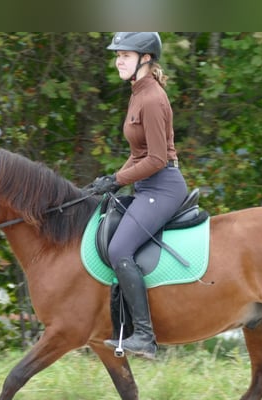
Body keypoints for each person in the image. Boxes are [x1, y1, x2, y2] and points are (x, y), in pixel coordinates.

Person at [90, 32, 189, 360]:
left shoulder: (151, 98)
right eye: (117, 55)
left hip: (163, 187)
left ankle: (144, 336)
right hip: (147, 186)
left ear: (145, 59)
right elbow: (139, 153)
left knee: (120, 247)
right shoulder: (137, 93)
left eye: (126, 55)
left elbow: (157, 159)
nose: (119, 60)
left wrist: (118, 179)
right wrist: (111, 182)